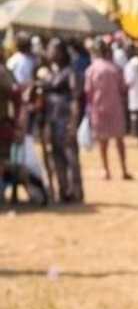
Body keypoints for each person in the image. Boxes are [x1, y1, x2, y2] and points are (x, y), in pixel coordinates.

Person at [84, 40, 131, 180]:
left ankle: (106, 170)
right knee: (119, 140)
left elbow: (88, 91)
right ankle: (124, 170)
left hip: (98, 108)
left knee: (103, 142)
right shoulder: (115, 68)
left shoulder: (91, 70)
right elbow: (123, 88)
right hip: (116, 107)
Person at [44, 38, 83, 203]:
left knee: (70, 156)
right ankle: (62, 190)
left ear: (61, 52)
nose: (49, 52)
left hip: (65, 119)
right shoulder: (51, 73)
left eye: (53, 49)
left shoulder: (70, 72)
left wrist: (73, 123)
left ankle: (75, 192)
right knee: (56, 157)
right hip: (52, 119)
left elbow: (75, 99)